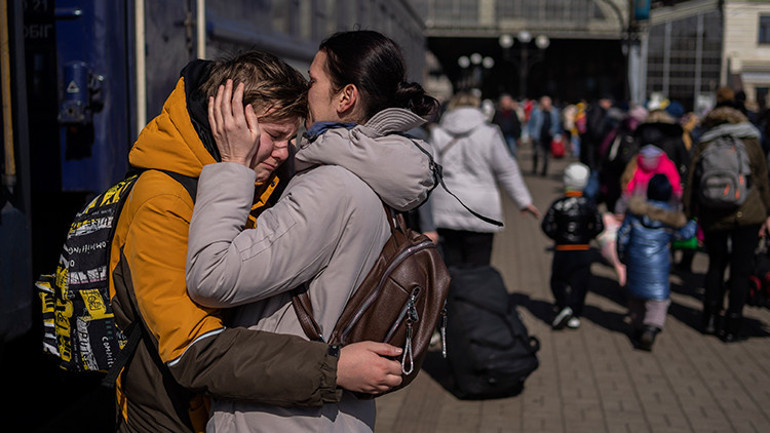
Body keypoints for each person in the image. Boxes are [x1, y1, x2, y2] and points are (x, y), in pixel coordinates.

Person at [108, 51, 403, 433]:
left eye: (292, 136)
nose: (285, 152)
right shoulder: (163, 201)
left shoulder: (262, 177)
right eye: (275, 136)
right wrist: (334, 367)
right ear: (228, 123)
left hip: (222, 406)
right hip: (172, 417)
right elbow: (194, 354)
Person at [184, 31, 439, 432]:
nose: (305, 89)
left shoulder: (332, 188)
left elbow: (211, 277)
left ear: (346, 97)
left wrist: (233, 164)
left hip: (283, 418)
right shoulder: (374, 180)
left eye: (314, 79)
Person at [683, 88, 770, 342]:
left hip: (713, 212)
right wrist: (766, 212)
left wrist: (689, 212)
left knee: (715, 266)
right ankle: (732, 325)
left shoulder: (705, 140)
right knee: (741, 270)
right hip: (749, 211)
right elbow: (762, 179)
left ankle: (709, 319)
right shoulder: (751, 139)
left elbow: (690, 181)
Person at [428, 91, 539, 269]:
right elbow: (506, 170)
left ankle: (454, 296)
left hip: (446, 206)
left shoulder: (439, 133)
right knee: (479, 267)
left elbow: (430, 171)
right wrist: (523, 201)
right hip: (481, 209)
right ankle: (476, 296)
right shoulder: (490, 133)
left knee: (449, 267)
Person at [617, 174, 697, 350]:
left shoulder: (635, 214)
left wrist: (622, 256)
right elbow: (686, 234)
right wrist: (692, 219)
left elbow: (622, 236)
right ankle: (651, 328)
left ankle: (638, 327)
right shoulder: (669, 218)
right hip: (658, 266)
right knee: (658, 300)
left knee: (635, 297)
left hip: (635, 262)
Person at [541, 162, 604, 329]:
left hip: (563, 250)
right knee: (580, 283)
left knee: (558, 280)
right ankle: (574, 313)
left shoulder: (559, 203)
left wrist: (558, 238)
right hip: (583, 250)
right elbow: (599, 226)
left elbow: (546, 225)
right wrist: (586, 238)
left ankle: (563, 306)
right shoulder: (589, 204)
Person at [528, 95, 561, 176]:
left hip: (548, 136)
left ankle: (544, 171)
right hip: (537, 135)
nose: (546, 104)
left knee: (546, 155)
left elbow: (556, 124)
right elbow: (531, 123)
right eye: (544, 102)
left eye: (548, 102)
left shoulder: (554, 112)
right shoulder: (536, 111)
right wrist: (531, 134)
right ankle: (534, 169)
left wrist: (554, 132)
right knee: (536, 153)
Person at [492, 93, 522, 157]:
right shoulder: (498, 113)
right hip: (500, 136)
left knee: (512, 153)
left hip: (511, 136)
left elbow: (517, 125)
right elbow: (494, 125)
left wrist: (518, 137)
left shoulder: (513, 113)